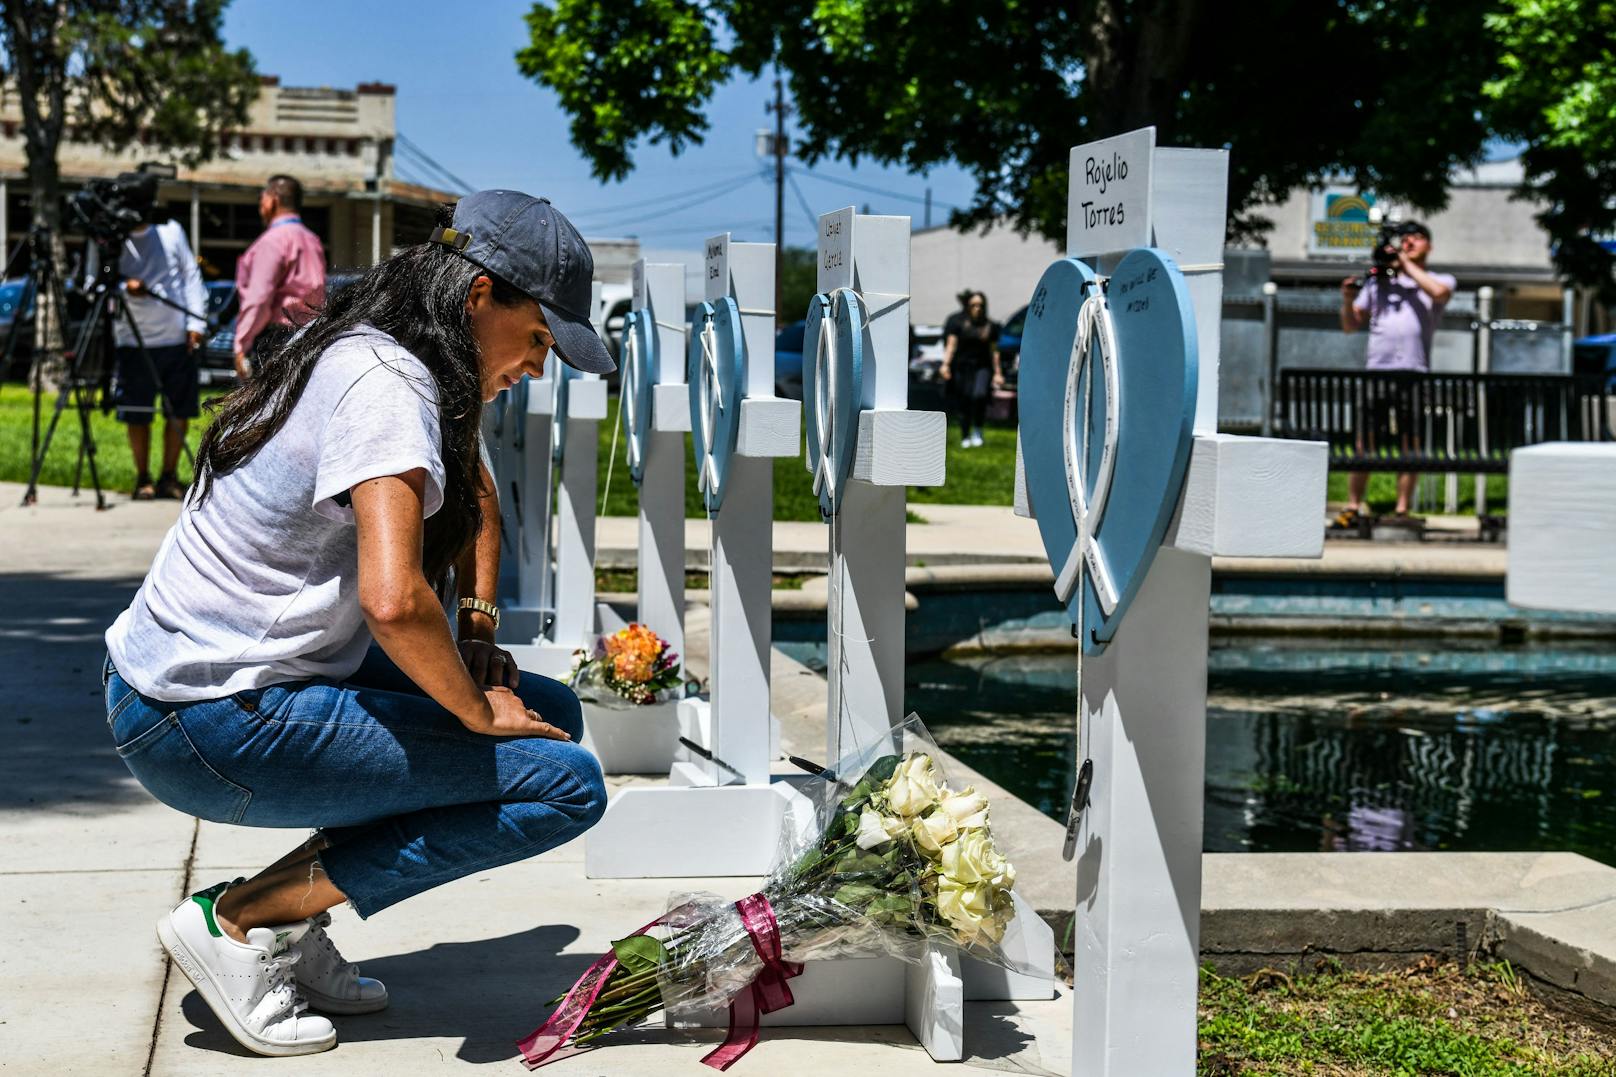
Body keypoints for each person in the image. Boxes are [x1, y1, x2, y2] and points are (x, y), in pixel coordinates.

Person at [103, 190, 617, 1057]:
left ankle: (291, 921)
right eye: (538, 339)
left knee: (553, 717)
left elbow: (479, 495)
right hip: (201, 718)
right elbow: (392, 600)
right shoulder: (386, 384)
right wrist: (472, 708)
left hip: (214, 683)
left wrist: (481, 638)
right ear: (480, 293)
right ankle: (241, 918)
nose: (539, 365)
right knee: (564, 783)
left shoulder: (399, 348)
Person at [1337, 221, 1455, 524]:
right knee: (1365, 443)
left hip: (1413, 372)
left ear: (1429, 246)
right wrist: (1349, 298)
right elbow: (1351, 326)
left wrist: (1402, 263)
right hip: (1377, 371)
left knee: (1410, 442)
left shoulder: (1437, 280)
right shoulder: (1378, 283)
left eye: (1417, 238)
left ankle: (1402, 509)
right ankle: (1353, 506)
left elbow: (1439, 293)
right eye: (1405, 239)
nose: (1409, 242)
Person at [108, 174, 208, 500]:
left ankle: (168, 475)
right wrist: (125, 286)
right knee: (137, 412)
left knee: (178, 411)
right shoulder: (112, 237)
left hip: (176, 338)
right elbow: (98, 282)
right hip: (133, 339)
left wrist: (197, 323)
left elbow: (191, 276)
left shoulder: (171, 231)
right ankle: (142, 478)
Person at [233, 174, 327, 381]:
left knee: (268, 411)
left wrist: (242, 343)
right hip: (310, 336)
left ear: (273, 199)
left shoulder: (273, 241)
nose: (260, 205)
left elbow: (258, 298)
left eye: (262, 198)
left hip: (276, 340)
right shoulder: (312, 240)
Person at [940, 289, 1003, 448]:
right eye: (974, 305)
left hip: (982, 367)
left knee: (979, 395)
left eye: (980, 305)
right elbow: (951, 346)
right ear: (968, 307)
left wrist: (998, 373)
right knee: (965, 400)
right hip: (962, 367)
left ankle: (978, 430)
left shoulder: (991, 326)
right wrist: (945, 364)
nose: (977, 308)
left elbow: (994, 351)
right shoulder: (957, 323)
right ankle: (965, 435)